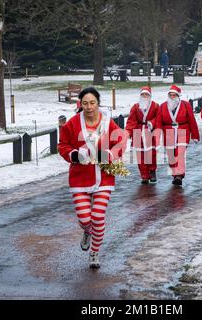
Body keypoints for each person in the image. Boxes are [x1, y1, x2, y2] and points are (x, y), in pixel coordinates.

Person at [58, 87, 127, 269]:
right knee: (85, 219)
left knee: (97, 216)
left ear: (98, 103)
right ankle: (88, 232)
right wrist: (73, 154)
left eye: (92, 103)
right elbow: (62, 145)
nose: (89, 107)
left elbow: (120, 140)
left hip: (104, 176)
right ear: (80, 104)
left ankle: (95, 252)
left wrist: (111, 154)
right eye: (85, 103)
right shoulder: (72, 124)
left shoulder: (107, 123)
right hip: (80, 178)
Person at [154, 85, 200, 186]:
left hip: (182, 130)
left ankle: (179, 175)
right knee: (171, 156)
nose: (172, 97)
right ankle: (175, 174)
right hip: (168, 132)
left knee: (180, 153)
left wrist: (195, 135)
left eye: (174, 95)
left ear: (178, 96)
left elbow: (192, 120)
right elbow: (158, 122)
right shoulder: (163, 106)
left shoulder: (185, 105)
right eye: (170, 95)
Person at [125, 86, 160, 184]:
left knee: (151, 154)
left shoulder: (155, 106)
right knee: (140, 155)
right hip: (138, 132)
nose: (144, 96)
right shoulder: (136, 107)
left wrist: (152, 123)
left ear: (150, 96)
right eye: (143, 94)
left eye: (146, 94)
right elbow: (131, 121)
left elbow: (158, 118)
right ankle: (144, 175)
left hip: (149, 131)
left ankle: (152, 171)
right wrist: (128, 132)